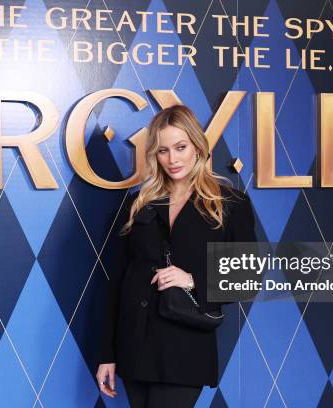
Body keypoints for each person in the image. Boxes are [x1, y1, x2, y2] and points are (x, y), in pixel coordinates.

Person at [96, 105, 257, 408]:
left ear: (197, 146)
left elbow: (248, 278)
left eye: (180, 147)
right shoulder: (139, 203)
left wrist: (194, 279)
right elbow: (117, 283)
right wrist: (107, 354)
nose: (172, 159)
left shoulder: (230, 203)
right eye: (163, 151)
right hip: (135, 347)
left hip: (185, 350)